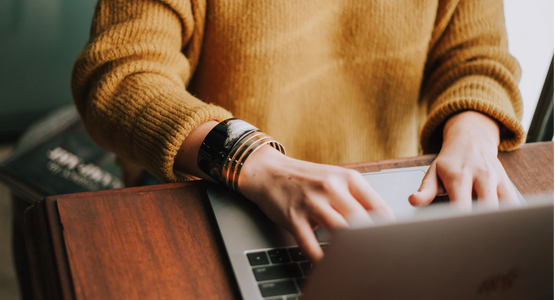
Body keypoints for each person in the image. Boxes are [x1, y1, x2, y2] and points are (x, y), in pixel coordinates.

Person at [71, 0, 525, 263]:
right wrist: (254, 160)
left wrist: (474, 134)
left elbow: (477, 58)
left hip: (381, 205)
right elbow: (119, 77)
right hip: (212, 192)